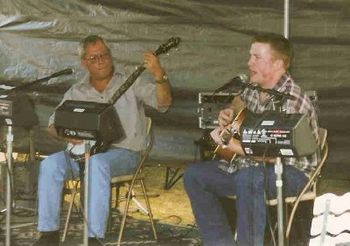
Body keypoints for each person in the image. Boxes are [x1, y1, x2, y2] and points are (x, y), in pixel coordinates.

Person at [34, 35, 172, 246]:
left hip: (124, 154)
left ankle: (94, 238)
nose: (101, 61)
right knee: (50, 164)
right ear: (84, 63)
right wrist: (66, 135)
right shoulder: (76, 91)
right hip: (84, 152)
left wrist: (159, 75)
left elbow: (164, 103)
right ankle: (48, 234)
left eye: (104, 55)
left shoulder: (131, 82)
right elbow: (53, 124)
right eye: (94, 57)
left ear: (110, 56)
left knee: (96, 163)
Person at [184, 33, 319, 246]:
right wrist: (229, 112)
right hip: (250, 169)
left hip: (291, 174)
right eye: (250, 56)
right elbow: (239, 100)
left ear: (278, 64)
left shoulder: (293, 100)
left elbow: (273, 154)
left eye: (257, 57)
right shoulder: (255, 89)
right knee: (195, 175)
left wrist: (231, 144)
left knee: (247, 178)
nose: (249, 63)